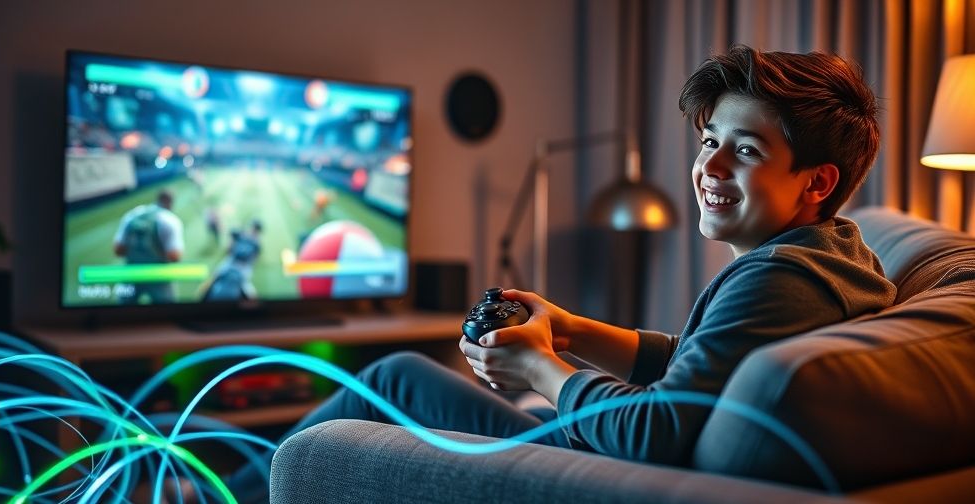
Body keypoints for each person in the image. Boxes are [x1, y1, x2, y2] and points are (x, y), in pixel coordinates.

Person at [197, 45, 896, 503]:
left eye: (743, 151)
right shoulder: (840, 255)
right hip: (601, 452)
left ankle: (215, 495)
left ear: (817, 181)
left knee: (387, 381)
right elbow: (695, 368)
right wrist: (567, 329)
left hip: (593, 472)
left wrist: (540, 371)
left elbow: (656, 433)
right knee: (399, 375)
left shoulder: (780, 280)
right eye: (710, 141)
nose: (710, 168)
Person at [112, 189, 184, 304]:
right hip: (158, 276)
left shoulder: (132, 215)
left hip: (131, 273)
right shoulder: (169, 220)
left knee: (121, 315)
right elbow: (175, 256)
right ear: (170, 202)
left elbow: (118, 250)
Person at [201, 220, 263, 301]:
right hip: (231, 263)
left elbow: (253, 258)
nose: (253, 230)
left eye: (254, 229)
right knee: (210, 283)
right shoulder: (244, 236)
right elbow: (229, 250)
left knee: (249, 293)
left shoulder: (256, 243)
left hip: (243, 269)